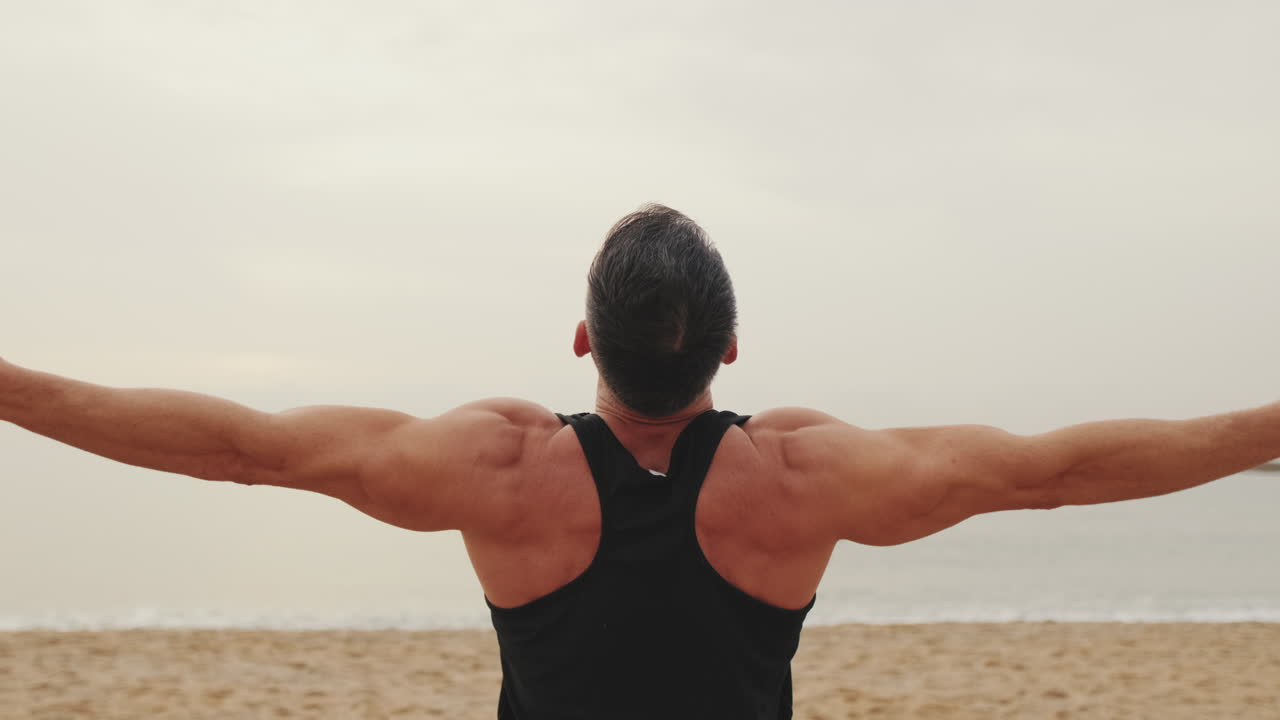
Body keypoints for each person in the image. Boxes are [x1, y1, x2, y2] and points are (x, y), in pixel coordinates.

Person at [1, 203, 1276, 720]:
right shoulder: (799, 476)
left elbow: (243, 452)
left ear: (579, 340)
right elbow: (1049, 471)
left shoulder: (499, 466)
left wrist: (13, 389)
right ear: (730, 348)